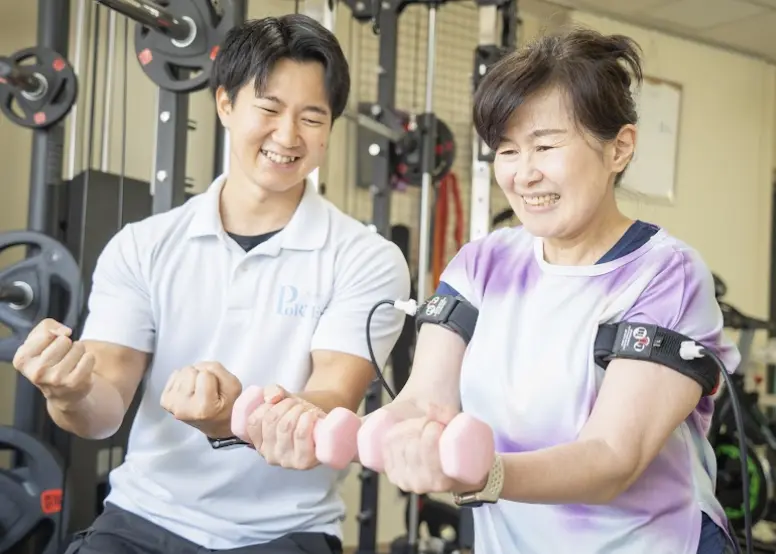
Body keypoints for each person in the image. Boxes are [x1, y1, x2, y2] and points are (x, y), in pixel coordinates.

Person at [11, 14, 410, 554]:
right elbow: (101, 411)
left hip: (284, 530)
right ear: (225, 104)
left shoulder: (368, 259)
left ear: (330, 129)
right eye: (268, 109)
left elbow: (328, 402)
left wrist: (233, 417)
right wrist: (68, 390)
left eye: (312, 118)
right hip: (143, 515)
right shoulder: (142, 245)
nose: (288, 136)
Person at [371, 29, 739, 554]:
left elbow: (613, 456)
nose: (524, 174)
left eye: (545, 145)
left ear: (620, 147)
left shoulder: (665, 274)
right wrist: (327, 426)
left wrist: (488, 475)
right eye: (507, 150)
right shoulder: (481, 263)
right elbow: (423, 401)